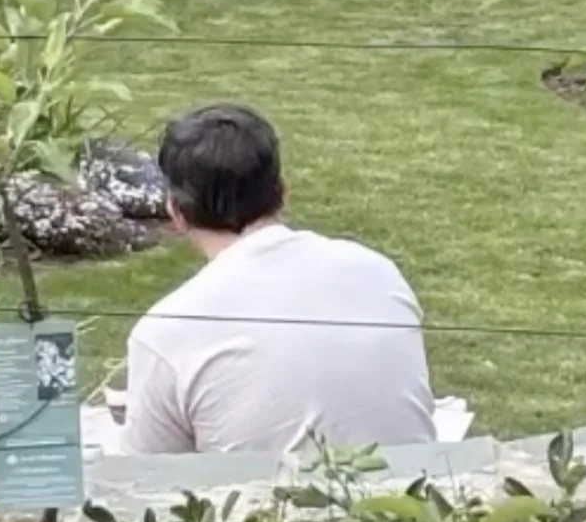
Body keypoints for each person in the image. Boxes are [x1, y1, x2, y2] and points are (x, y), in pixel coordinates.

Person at [120, 104, 435, 456]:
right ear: (282, 191)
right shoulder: (378, 271)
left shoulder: (166, 330)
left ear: (175, 213)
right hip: (416, 502)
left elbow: (142, 483)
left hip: (275, 509)